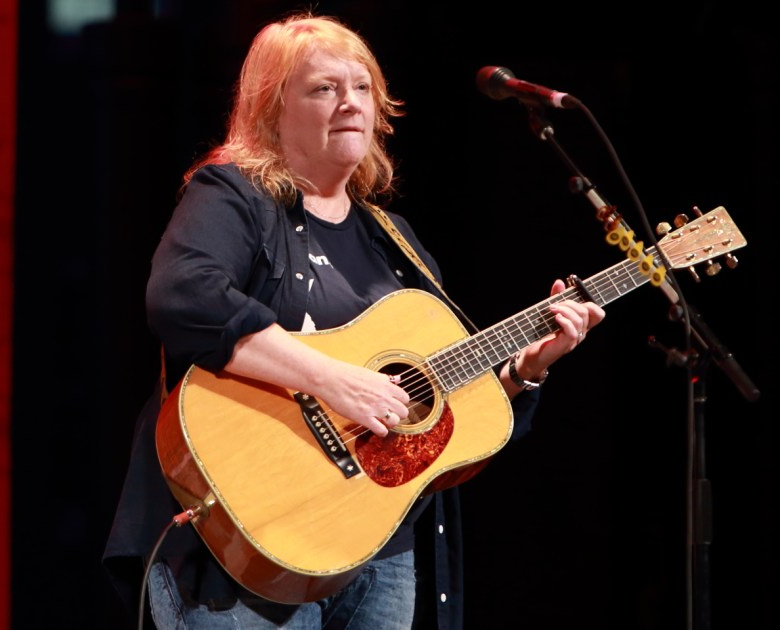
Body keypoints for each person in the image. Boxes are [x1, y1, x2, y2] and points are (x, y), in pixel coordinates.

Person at [103, 11, 605, 630]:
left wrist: (524, 372)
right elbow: (185, 295)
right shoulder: (234, 196)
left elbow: (433, 416)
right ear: (271, 109)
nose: (351, 102)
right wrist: (334, 381)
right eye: (325, 87)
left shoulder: (396, 242)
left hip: (377, 556)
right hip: (241, 547)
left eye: (362, 87)